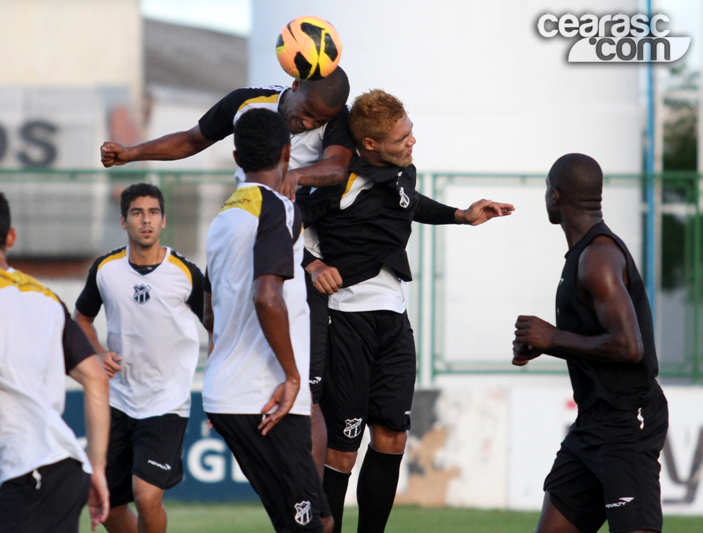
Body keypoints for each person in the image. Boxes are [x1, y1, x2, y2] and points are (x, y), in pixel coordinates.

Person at [101, 66, 354, 478]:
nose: (309, 124)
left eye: (318, 121)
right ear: (294, 87)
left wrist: (292, 177)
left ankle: (312, 501)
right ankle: (227, 402)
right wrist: (132, 153)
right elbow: (190, 140)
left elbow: (337, 167)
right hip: (237, 237)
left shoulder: (335, 117)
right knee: (217, 321)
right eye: (307, 113)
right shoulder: (246, 101)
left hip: (293, 250)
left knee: (307, 391)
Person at [297, 89, 514, 533]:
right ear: (370, 145)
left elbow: (408, 204)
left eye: (411, 131)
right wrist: (311, 263)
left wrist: (461, 215)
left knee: (393, 437)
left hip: (393, 322)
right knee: (343, 448)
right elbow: (282, 219)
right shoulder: (338, 180)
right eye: (402, 137)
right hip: (345, 320)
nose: (412, 141)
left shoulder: (402, 173)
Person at [0, 186, 110, 533]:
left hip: (32, 472)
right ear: (11, 237)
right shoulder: (46, 296)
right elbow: (97, 378)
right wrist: (97, 467)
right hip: (70, 468)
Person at [513, 153, 668, 533]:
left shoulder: (598, 256)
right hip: (591, 425)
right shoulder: (583, 255)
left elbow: (630, 347)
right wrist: (549, 344)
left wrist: (553, 337)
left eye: (547, 190)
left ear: (557, 197)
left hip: (625, 423)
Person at [203, 108, 331, 533]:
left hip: (228, 392)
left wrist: (222, 365)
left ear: (237, 157)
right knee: (308, 527)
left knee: (319, 521)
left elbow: (210, 309)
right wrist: (294, 377)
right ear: (287, 153)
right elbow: (267, 294)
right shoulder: (278, 209)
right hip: (268, 395)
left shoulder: (223, 218)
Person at [73, 183, 205, 533]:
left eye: (152, 213)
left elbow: (216, 326)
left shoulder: (186, 273)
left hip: (166, 402)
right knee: (106, 505)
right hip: (116, 400)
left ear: (163, 221)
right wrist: (98, 352)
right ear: (123, 222)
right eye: (136, 213)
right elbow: (82, 318)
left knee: (146, 496)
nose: (145, 220)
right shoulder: (105, 270)